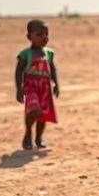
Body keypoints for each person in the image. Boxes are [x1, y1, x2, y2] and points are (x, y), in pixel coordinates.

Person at [15, 19, 59, 150]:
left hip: (45, 88)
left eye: (46, 34)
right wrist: (19, 89)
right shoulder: (25, 54)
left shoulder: (49, 53)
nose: (44, 37)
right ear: (30, 37)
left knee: (43, 116)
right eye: (39, 34)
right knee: (34, 109)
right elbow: (18, 72)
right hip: (31, 87)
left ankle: (38, 138)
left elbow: (53, 69)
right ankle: (28, 132)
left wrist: (56, 83)